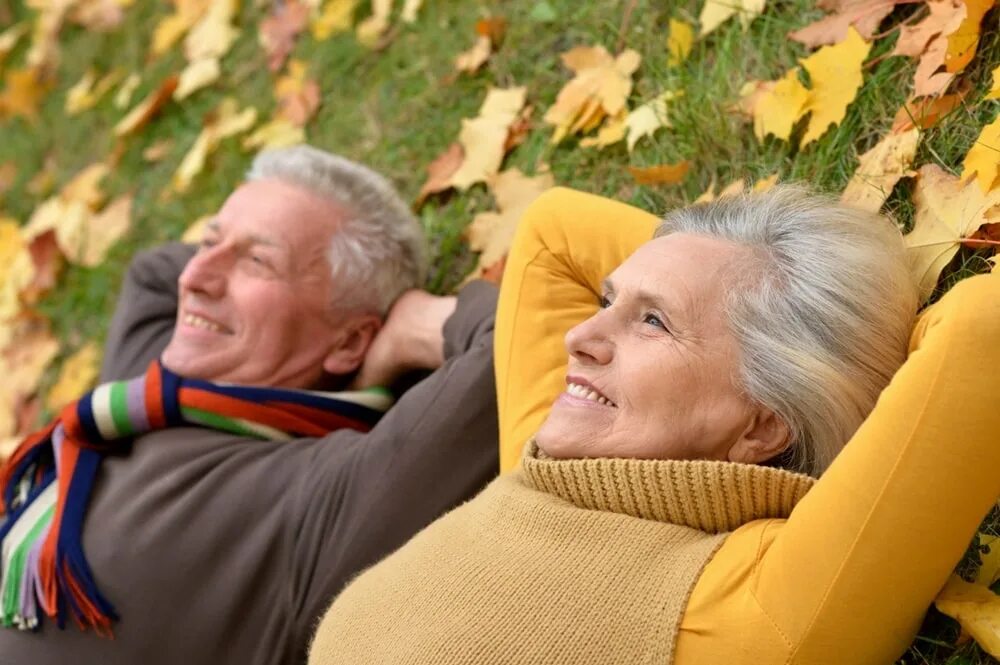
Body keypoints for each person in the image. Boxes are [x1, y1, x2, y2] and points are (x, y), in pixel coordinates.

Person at [309, 185, 1000, 665]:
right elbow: (552, 233)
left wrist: (839, 337)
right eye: (610, 300)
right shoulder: (550, 453)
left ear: (762, 426)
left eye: (651, 322)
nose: (580, 334)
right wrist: (728, 268)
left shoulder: (754, 611)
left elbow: (982, 332)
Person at [0, 146, 500, 665]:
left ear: (351, 341)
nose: (194, 279)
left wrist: (410, 328)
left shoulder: (319, 501)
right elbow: (154, 273)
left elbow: (504, 364)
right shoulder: (152, 381)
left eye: (258, 263)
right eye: (211, 241)